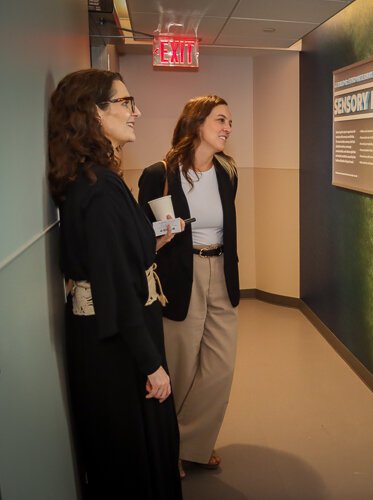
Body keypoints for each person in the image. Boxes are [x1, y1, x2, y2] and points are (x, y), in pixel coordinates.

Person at [47, 69, 182, 499]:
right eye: (126, 102)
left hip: (110, 339)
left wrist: (149, 241)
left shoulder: (95, 179)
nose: (136, 111)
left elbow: (112, 258)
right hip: (118, 350)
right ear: (93, 112)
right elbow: (115, 287)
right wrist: (151, 366)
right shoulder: (100, 189)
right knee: (131, 459)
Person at [138, 95, 240, 477]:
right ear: (197, 123)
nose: (228, 128)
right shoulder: (159, 173)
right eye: (220, 120)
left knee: (220, 366)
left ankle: (192, 442)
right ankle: (171, 449)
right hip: (181, 276)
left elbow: (226, 225)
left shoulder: (228, 172)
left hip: (221, 271)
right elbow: (141, 234)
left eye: (230, 122)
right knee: (179, 365)